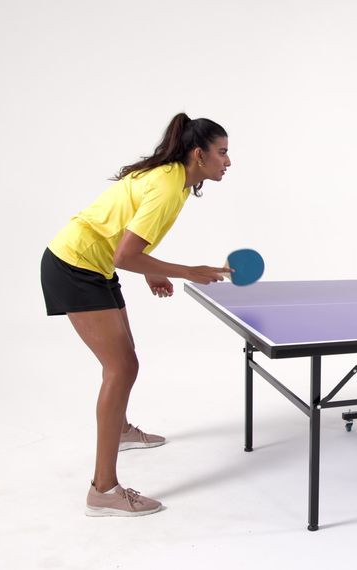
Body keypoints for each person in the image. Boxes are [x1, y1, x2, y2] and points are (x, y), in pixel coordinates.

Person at [41, 113, 233, 515]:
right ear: (198, 154)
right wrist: (187, 271)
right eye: (222, 153)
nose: (227, 161)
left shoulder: (178, 182)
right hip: (74, 266)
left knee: (127, 360)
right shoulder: (168, 186)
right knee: (122, 367)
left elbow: (127, 241)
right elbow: (125, 254)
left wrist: (154, 271)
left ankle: (121, 430)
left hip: (95, 265)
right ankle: (103, 490)